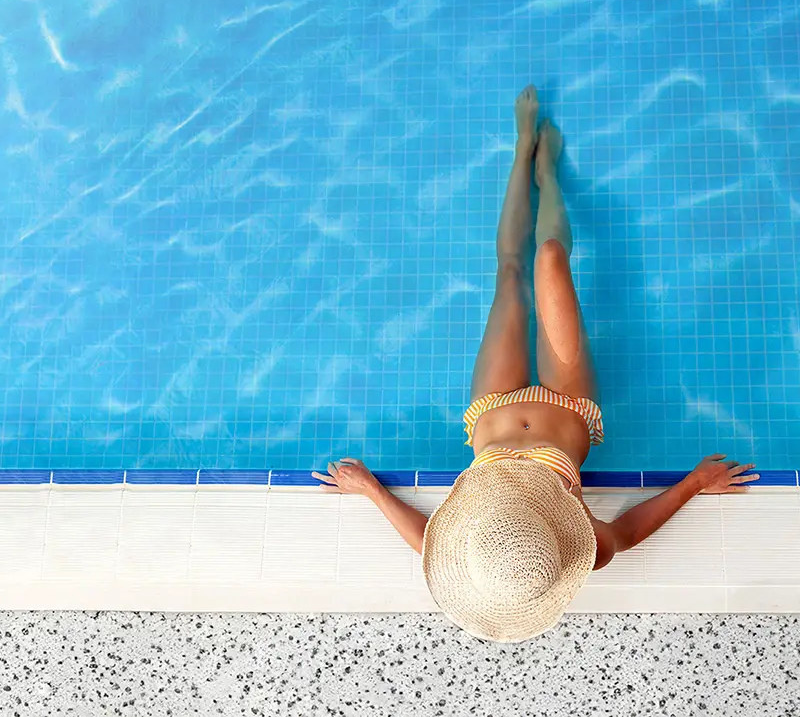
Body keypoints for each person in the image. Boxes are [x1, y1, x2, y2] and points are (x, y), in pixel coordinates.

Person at [316, 85, 758, 643]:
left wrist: (373, 492)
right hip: (566, 405)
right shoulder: (577, 550)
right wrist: (694, 483)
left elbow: (427, 537)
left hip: (492, 408)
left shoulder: (473, 547)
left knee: (508, 273)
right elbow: (628, 530)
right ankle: (547, 176)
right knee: (549, 259)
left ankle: (522, 147)